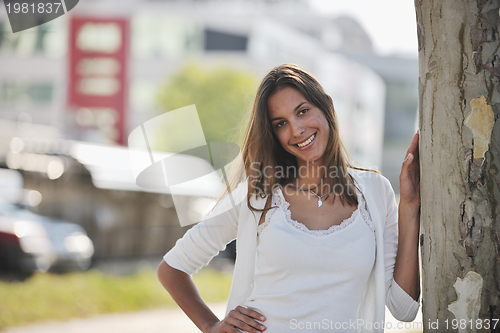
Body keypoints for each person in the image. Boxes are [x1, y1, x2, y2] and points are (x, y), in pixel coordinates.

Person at [157, 64, 421, 333]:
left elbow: (404, 308)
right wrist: (210, 325)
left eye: (303, 111)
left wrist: (410, 206)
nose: (296, 130)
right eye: (281, 123)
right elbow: (172, 268)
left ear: (326, 107)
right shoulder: (257, 197)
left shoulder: (375, 192)